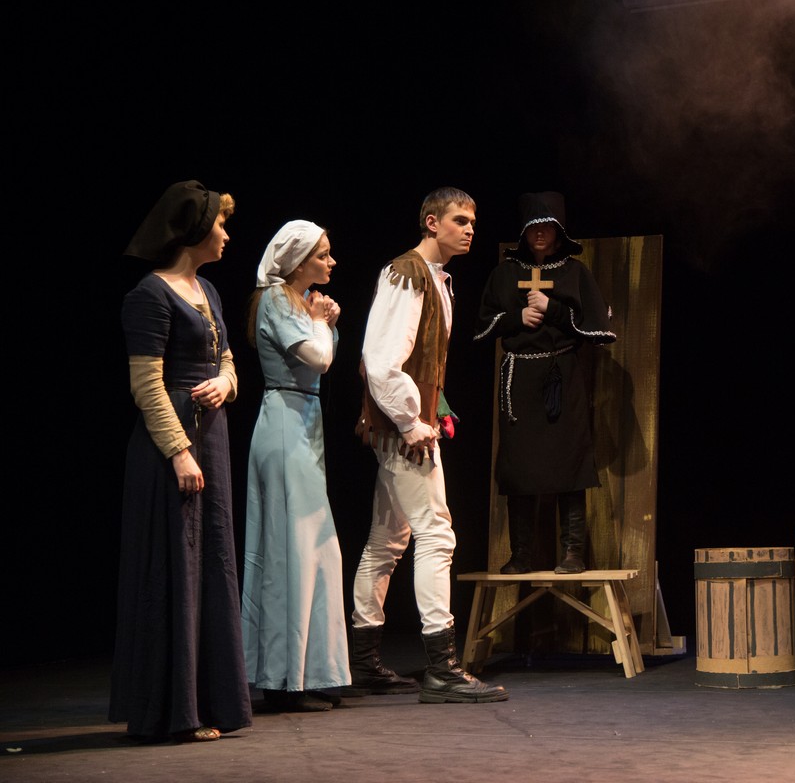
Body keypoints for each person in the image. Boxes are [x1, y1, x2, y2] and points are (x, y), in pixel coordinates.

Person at [351, 186, 507, 703]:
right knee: (436, 534)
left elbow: (421, 361)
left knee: (386, 540)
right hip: (402, 430)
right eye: (459, 220)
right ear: (432, 222)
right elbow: (380, 360)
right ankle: (442, 668)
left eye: (473, 222)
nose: (469, 229)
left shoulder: (435, 278)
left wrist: (435, 408)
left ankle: (364, 661)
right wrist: (409, 421)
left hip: (410, 422)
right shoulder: (408, 273)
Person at [110, 180, 252, 742]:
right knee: (175, 567)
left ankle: (211, 701)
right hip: (173, 446)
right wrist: (178, 452)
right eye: (220, 224)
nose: (226, 234)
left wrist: (226, 382)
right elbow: (146, 385)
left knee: (212, 562)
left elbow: (228, 358)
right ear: (194, 229)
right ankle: (172, 711)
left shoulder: (207, 289)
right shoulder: (149, 294)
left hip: (211, 438)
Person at [474, 191, 616, 575]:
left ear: (558, 230)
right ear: (523, 230)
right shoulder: (506, 273)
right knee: (519, 467)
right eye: (533, 226)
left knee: (570, 463)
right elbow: (482, 326)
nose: (540, 233)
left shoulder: (574, 272)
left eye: (547, 226)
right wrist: (517, 318)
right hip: (519, 380)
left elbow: (597, 327)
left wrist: (552, 309)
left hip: (561, 377)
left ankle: (572, 553)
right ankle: (522, 555)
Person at [241, 220, 351, 712]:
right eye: (323, 255)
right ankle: (282, 678)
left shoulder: (299, 302)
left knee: (316, 553)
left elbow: (321, 360)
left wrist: (324, 323)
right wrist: (324, 323)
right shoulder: (276, 300)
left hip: (303, 419)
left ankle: (311, 671)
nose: (331, 262)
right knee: (290, 552)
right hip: (284, 424)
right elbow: (319, 359)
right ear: (298, 261)